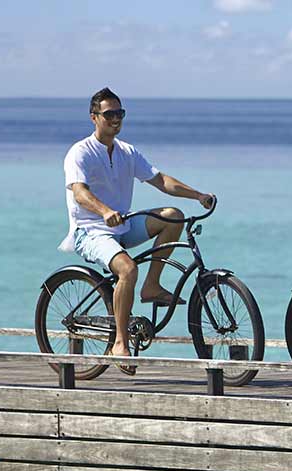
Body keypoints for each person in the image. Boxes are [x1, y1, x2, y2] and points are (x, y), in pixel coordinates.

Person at [60, 87, 216, 374]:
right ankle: (119, 343)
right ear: (94, 117)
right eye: (109, 114)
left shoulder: (127, 152)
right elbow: (79, 193)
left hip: (123, 225)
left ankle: (151, 286)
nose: (115, 119)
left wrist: (198, 195)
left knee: (173, 217)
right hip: (90, 231)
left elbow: (161, 181)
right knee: (128, 269)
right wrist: (105, 211)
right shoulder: (80, 152)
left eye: (120, 113)